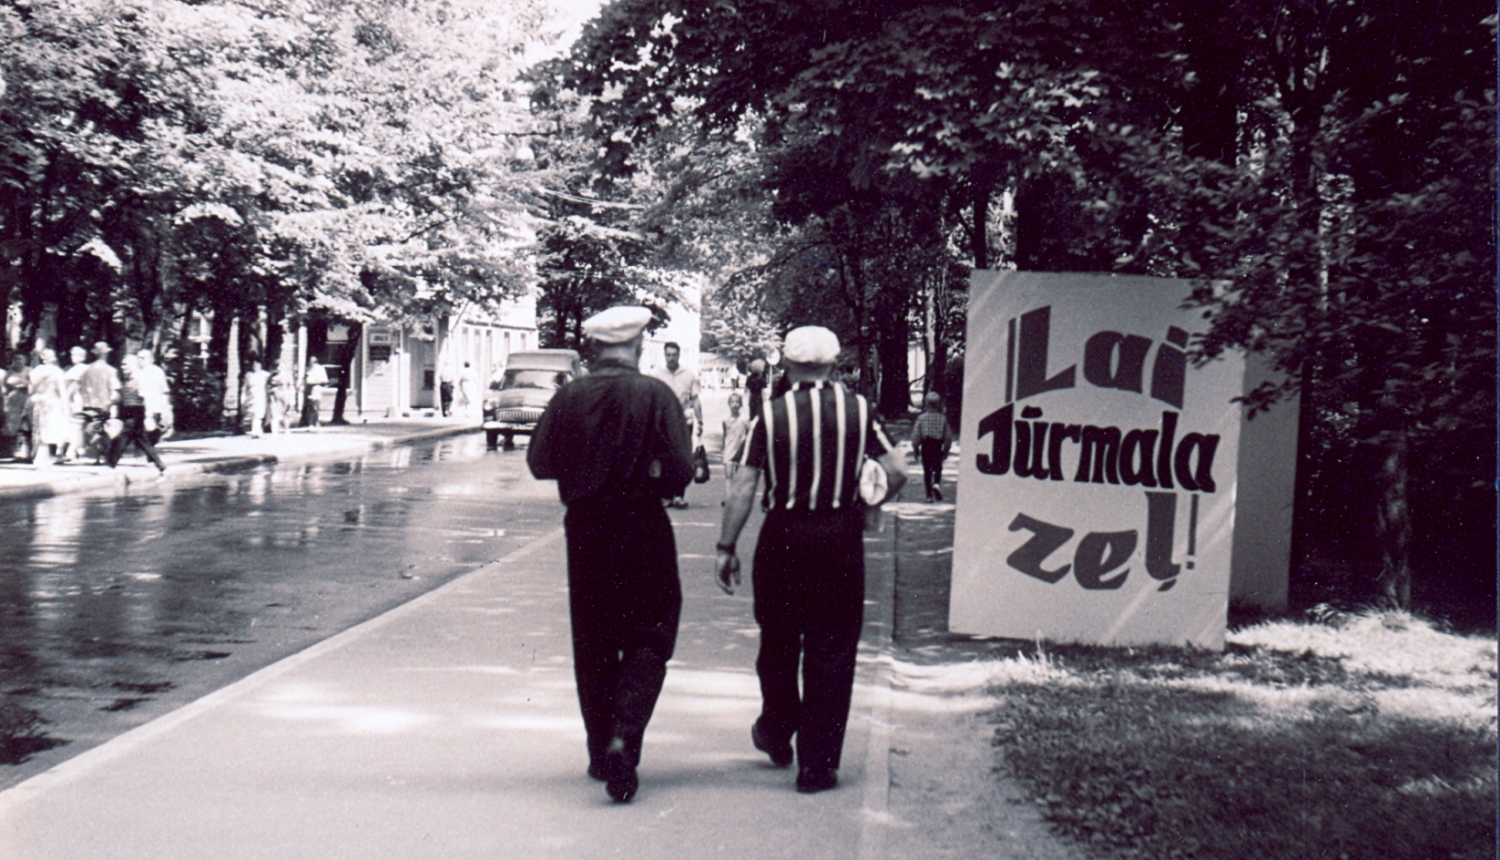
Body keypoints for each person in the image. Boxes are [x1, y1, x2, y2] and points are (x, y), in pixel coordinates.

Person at [713, 325, 906, 794]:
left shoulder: (770, 416)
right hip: (839, 538)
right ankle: (817, 765)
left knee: (778, 641)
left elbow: (744, 485)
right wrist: (865, 506)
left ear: (787, 364)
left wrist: (726, 547)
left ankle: (778, 731)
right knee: (833, 649)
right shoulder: (860, 412)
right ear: (834, 363)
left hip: (782, 537)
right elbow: (897, 468)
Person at [527, 305, 693, 804]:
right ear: (639, 345)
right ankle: (627, 733)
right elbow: (683, 469)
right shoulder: (655, 394)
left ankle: (601, 752)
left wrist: (583, 469)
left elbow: (539, 463)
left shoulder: (568, 397)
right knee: (652, 630)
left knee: (594, 637)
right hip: (644, 525)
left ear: (596, 348)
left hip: (586, 530)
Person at [649, 341, 701, 509]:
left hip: (683, 421)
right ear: (664, 356)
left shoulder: (689, 375)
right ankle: (666, 495)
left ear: (679, 355)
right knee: (663, 459)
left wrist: (701, 421)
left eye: (674, 354)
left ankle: (679, 495)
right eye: (668, 355)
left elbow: (695, 400)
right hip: (662, 423)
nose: (671, 358)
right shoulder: (657, 374)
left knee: (681, 458)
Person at [107, 353, 166, 475]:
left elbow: (147, 397)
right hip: (130, 412)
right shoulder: (128, 378)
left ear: (133, 364)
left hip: (136, 412)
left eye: (125, 364)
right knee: (141, 439)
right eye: (122, 364)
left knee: (123, 437)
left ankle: (110, 464)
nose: (122, 367)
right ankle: (160, 464)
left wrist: (149, 415)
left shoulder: (140, 378)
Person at [77, 342, 121, 464]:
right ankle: (105, 455)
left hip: (88, 405)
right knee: (103, 431)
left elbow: (81, 388)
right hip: (104, 405)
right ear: (105, 354)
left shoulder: (86, 370)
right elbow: (115, 390)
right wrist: (112, 404)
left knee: (92, 431)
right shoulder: (110, 370)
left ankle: (97, 457)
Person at [26, 349, 69, 469]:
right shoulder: (58, 372)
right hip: (52, 401)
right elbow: (62, 391)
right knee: (49, 428)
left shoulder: (35, 371)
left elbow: (30, 390)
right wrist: (66, 407)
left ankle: (37, 455)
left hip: (37, 400)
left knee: (38, 428)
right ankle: (44, 456)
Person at [911, 391, 955, 502]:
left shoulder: (921, 418)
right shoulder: (943, 419)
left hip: (926, 445)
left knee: (927, 470)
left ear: (926, 403)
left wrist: (916, 449)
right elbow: (948, 436)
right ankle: (936, 484)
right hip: (937, 445)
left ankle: (929, 496)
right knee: (938, 467)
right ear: (939, 404)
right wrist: (946, 450)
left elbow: (916, 435)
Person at [135, 349, 173, 444]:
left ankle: (150, 450)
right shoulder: (137, 372)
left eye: (143, 358)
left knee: (150, 430)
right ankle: (149, 451)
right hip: (140, 405)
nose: (140, 360)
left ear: (151, 359)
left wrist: (166, 408)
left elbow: (164, 390)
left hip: (154, 405)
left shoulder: (158, 371)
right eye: (138, 358)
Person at [720, 391, 750, 505]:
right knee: (728, 475)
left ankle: (737, 498)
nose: (735, 404)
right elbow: (725, 435)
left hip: (740, 451)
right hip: (728, 450)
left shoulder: (744, 420)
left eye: (737, 402)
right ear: (729, 404)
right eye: (732, 402)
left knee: (738, 477)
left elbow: (750, 434)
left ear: (741, 404)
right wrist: (723, 450)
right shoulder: (725, 420)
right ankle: (728, 499)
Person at [62, 346, 90, 461]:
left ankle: (73, 450)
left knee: (76, 424)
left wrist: (66, 397)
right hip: (75, 397)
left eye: (75, 355)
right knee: (75, 425)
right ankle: (79, 448)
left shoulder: (81, 368)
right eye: (72, 354)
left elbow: (75, 385)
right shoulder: (74, 368)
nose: (72, 357)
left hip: (76, 397)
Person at [2, 354, 30, 460]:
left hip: (25, 399)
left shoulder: (29, 370)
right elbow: (4, 387)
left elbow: (33, 384)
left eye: (20, 359)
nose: (18, 361)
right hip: (13, 400)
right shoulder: (8, 372)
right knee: (12, 426)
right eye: (15, 359)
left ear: (25, 360)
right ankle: (13, 451)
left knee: (25, 425)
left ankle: (26, 451)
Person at [243, 359, 271, 438]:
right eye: (254, 365)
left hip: (261, 395)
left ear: (260, 366)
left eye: (257, 365)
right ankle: (257, 431)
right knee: (253, 413)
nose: (256, 367)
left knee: (259, 413)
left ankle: (256, 431)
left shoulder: (265, 375)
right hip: (252, 396)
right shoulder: (249, 375)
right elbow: (245, 387)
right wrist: (244, 396)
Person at [270, 364, 297, 434]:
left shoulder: (287, 376)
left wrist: (292, 399)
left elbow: (291, 387)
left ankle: (287, 430)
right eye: (277, 367)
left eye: (281, 367)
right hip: (275, 397)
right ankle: (274, 432)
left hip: (285, 396)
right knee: (274, 414)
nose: (279, 368)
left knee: (286, 414)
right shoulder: (272, 376)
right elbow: (269, 387)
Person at [302, 359, 328, 430]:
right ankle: (312, 423)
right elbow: (305, 379)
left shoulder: (320, 369)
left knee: (314, 406)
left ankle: (314, 423)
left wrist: (316, 382)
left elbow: (325, 380)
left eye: (312, 362)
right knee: (310, 407)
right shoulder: (308, 369)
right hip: (308, 389)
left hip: (316, 388)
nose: (311, 363)